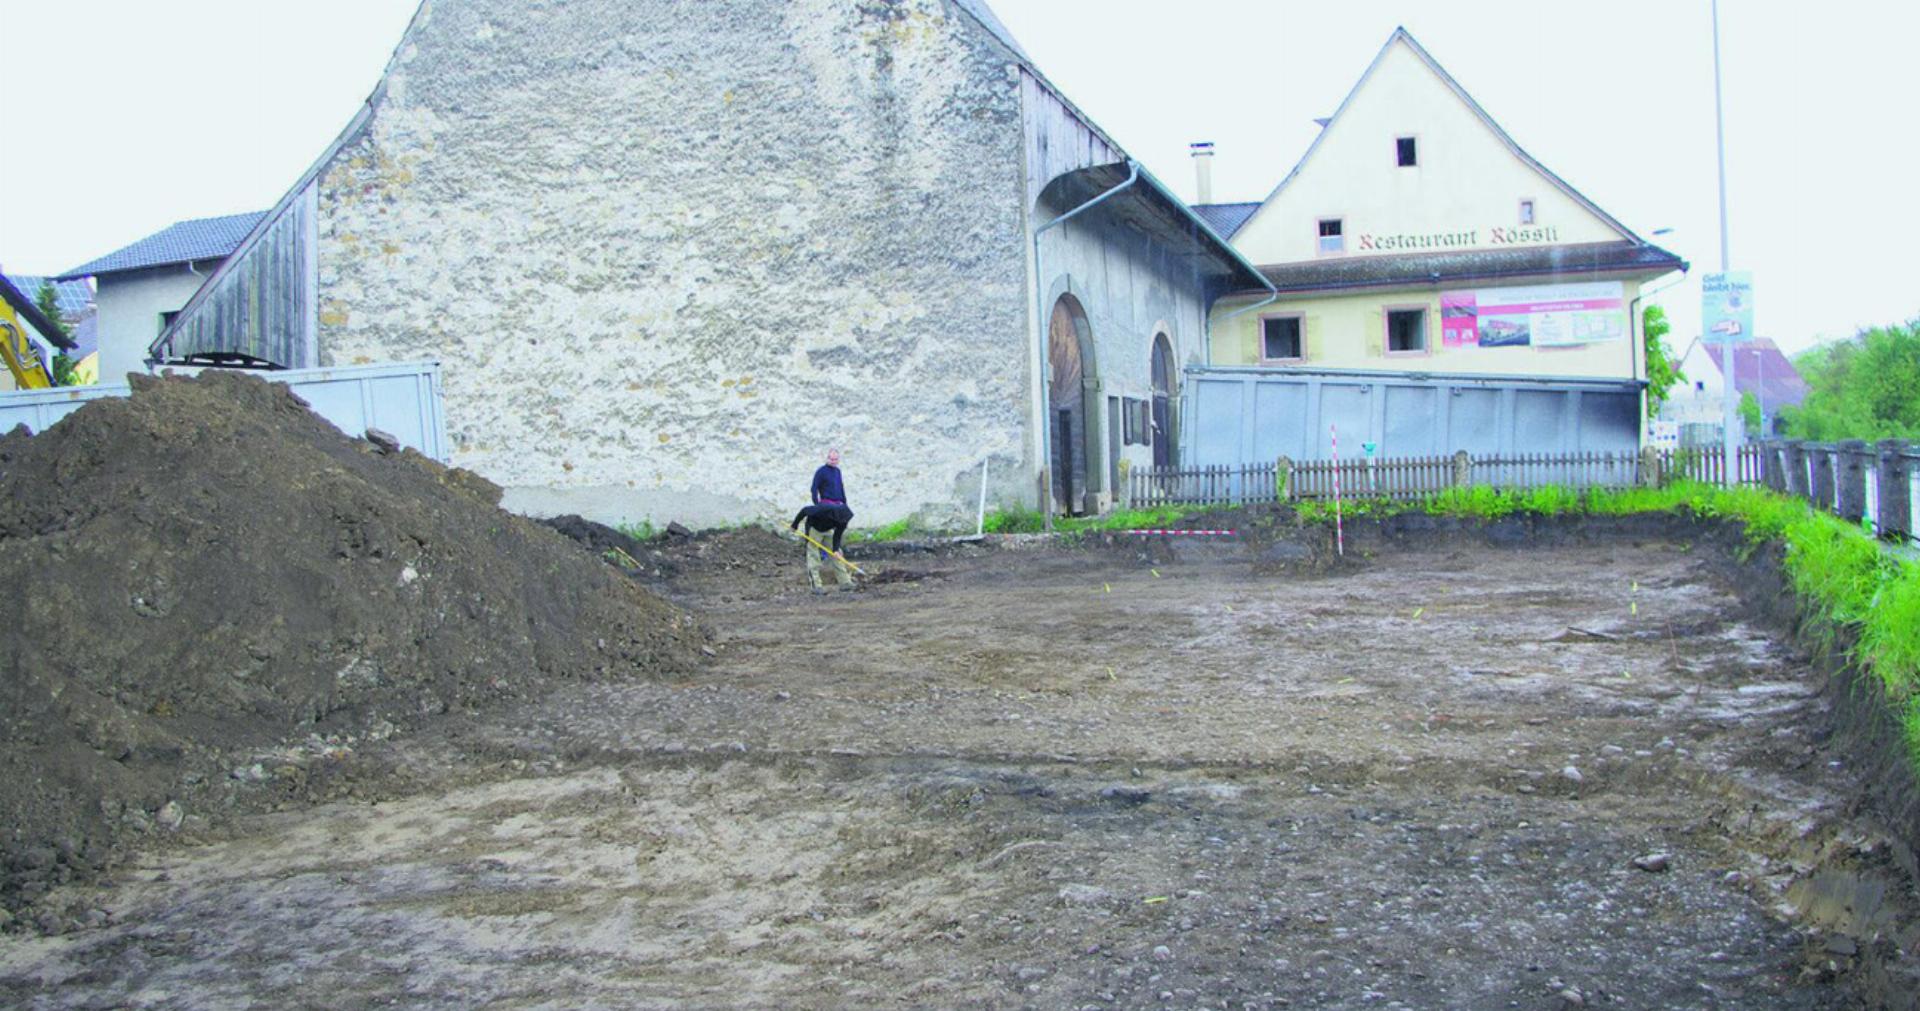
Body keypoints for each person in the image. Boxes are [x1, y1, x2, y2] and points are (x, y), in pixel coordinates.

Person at [792, 449, 854, 592]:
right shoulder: (822, 507)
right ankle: (816, 586)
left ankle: (845, 583)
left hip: (828, 526)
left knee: (837, 552)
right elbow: (805, 510)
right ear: (827, 458)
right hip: (815, 527)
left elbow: (838, 535)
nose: (833, 461)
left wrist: (835, 549)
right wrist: (794, 525)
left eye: (835, 459)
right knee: (813, 555)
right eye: (830, 458)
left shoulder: (842, 519)